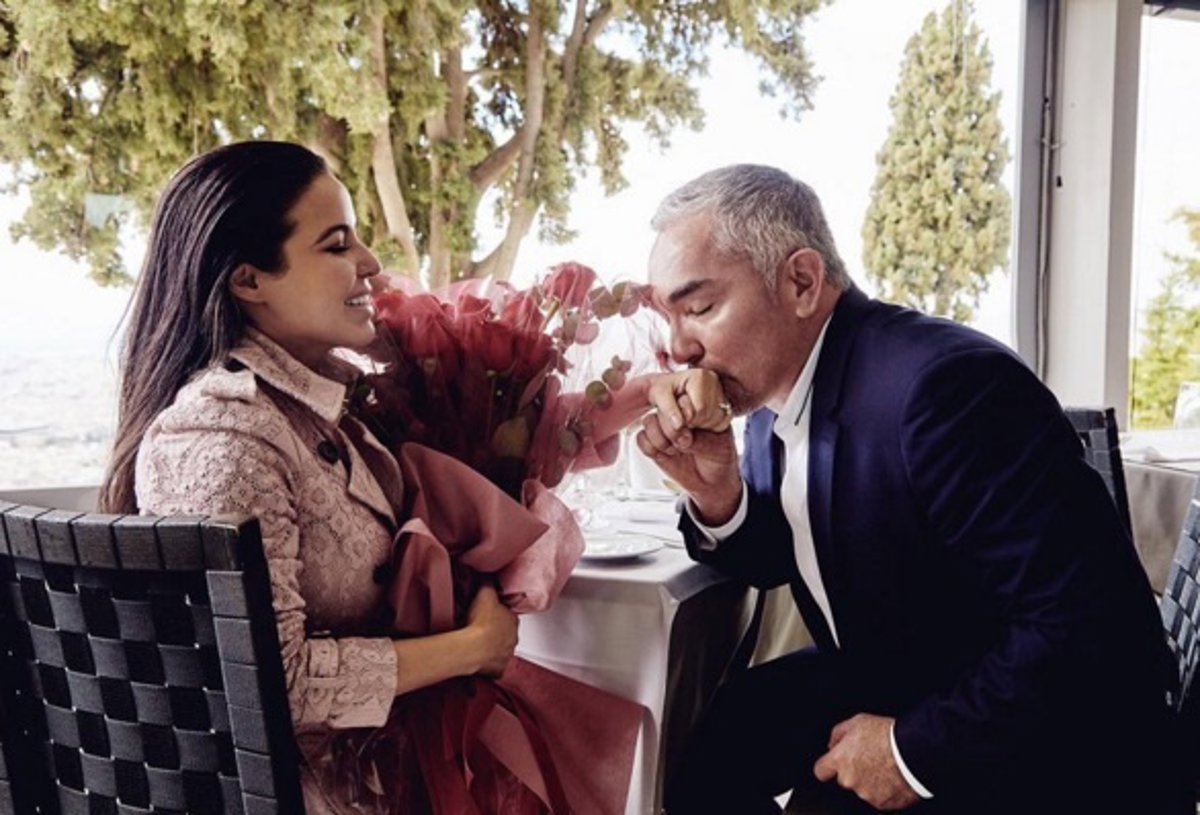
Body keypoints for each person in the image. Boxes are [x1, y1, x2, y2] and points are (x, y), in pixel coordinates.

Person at [635, 164, 1180, 814]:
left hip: (1055, 748)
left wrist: (908, 752)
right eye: (669, 318)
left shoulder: (944, 390)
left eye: (698, 309)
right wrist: (718, 493)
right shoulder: (772, 401)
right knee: (719, 739)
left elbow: (1088, 627)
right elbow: (785, 553)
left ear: (801, 282)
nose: (678, 349)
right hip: (907, 658)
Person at [99, 141, 524, 813]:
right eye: (337, 245)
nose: (370, 262)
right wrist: (471, 648)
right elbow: (270, 681)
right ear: (249, 280)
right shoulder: (223, 436)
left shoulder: (319, 408)